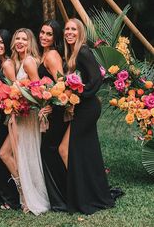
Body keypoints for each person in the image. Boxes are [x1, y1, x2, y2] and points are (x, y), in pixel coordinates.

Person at [59, 18, 115, 215]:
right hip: (83, 108)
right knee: (85, 151)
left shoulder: (82, 51)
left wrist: (79, 96)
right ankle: (91, 193)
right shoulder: (72, 53)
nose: (69, 32)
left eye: (73, 29)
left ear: (80, 32)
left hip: (88, 108)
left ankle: (84, 196)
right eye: (67, 29)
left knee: (70, 149)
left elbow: (97, 79)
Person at [1, 28, 50, 215]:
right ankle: (25, 195)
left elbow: (37, 91)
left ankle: (29, 198)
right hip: (19, 116)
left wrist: (18, 98)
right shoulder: (18, 62)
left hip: (27, 117)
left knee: (18, 155)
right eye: (17, 38)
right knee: (10, 154)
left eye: (24, 39)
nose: (20, 42)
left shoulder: (29, 61)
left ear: (30, 43)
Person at [38, 20, 67, 212]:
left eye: (49, 34)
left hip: (57, 111)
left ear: (55, 38)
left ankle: (63, 197)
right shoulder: (44, 55)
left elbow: (61, 84)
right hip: (51, 109)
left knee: (50, 150)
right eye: (42, 32)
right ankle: (58, 197)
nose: (43, 36)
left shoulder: (53, 55)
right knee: (48, 151)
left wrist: (51, 106)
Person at [0, 29, 19, 210]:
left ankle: (12, 198)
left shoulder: (8, 64)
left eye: (1, 42)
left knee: (3, 155)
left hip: (10, 117)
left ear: (7, 44)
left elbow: (15, 90)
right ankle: (2, 193)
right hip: (0, 116)